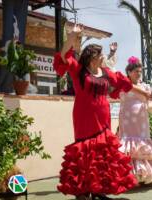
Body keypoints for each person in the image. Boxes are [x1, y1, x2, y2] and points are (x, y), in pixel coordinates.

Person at [53, 25, 138, 200]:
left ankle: (98, 189)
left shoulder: (106, 73)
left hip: (103, 117)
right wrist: (72, 37)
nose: (103, 57)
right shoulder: (79, 71)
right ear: (93, 58)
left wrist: (123, 88)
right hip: (84, 117)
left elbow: (123, 82)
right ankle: (83, 191)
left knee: (101, 154)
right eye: (100, 55)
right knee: (85, 153)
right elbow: (63, 56)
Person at [118, 56, 152, 185]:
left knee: (143, 143)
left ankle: (145, 175)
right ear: (129, 72)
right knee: (129, 144)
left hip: (141, 118)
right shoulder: (124, 84)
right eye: (136, 71)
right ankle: (130, 177)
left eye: (140, 71)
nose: (138, 73)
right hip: (127, 119)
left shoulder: (145, 86)